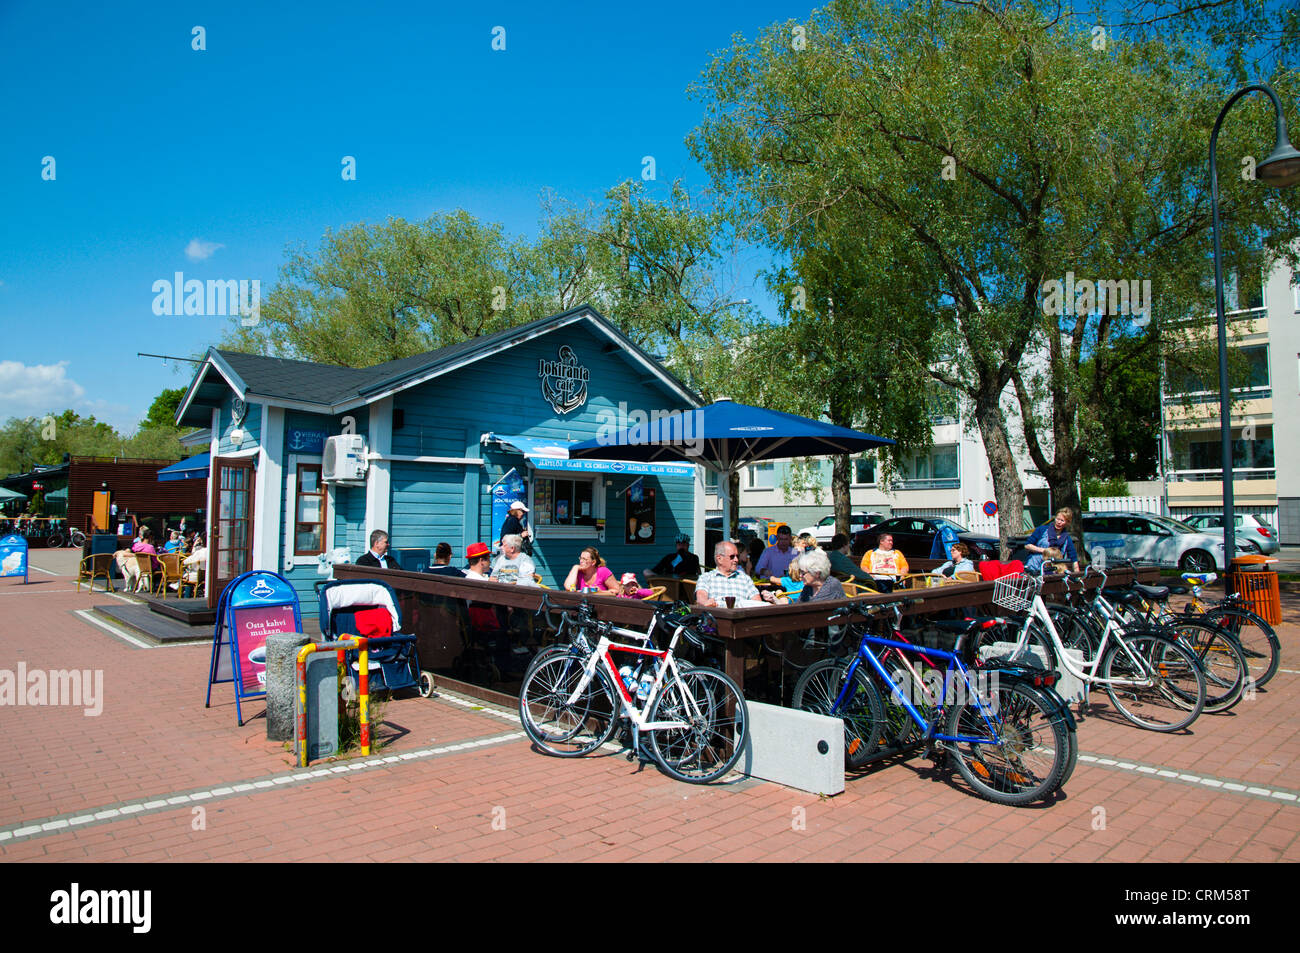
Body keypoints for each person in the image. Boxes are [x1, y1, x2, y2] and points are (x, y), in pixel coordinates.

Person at [696, 540, 780, 608]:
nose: (736, 560)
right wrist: (708, 603)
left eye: (737, 556)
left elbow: (756, 602)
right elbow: (701, 599)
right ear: (719, 559)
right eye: (732, 556)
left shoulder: (744, 578)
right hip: (718, 620)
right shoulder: (706, 578)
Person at [1025, 507, 1079, 573]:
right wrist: (1046, 551)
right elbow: (1027, 545)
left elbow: (1073, 558)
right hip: (1036, 566)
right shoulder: (1042, 530)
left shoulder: (1067, 538)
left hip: (1055, 568)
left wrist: (1077, 574)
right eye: (1057, 519)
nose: (1059, 522)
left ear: (1067, 523)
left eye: (1062, 520)